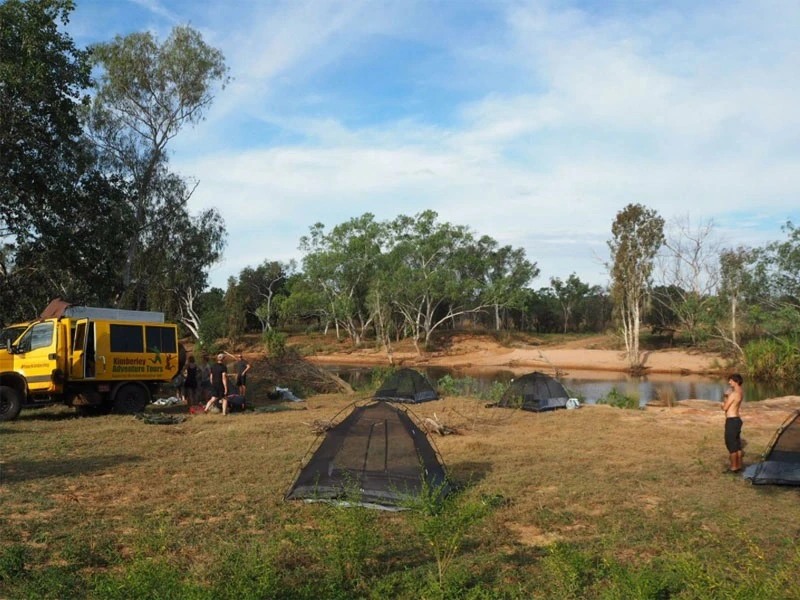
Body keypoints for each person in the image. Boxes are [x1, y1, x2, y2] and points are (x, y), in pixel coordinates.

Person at [721, 373, 744, 473]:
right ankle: (738, 466)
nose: (729, 382)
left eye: (731, 380)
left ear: (737, 381)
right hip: (737, 420)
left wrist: (725, 398)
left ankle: (734, 467)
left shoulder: (734, 394)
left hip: (732, 420)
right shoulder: (740, 392)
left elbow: (725, 408)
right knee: (737, 444)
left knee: (731, 444)